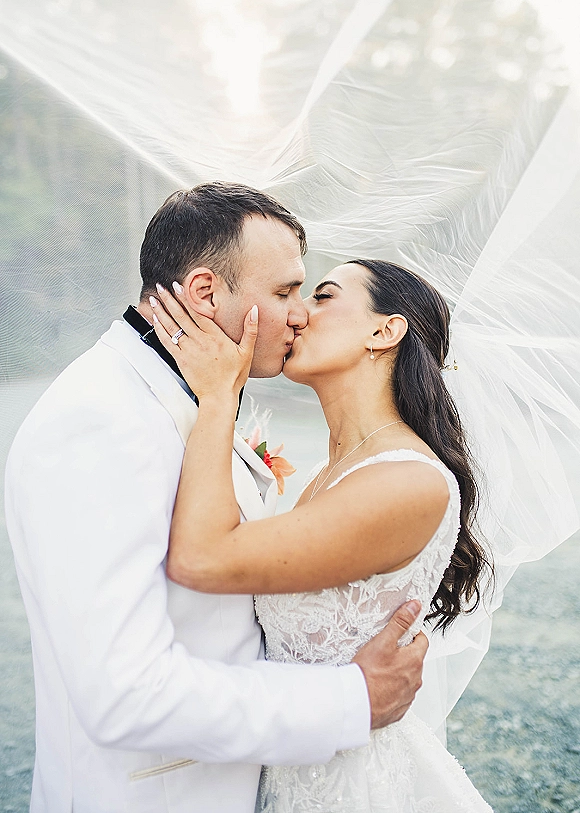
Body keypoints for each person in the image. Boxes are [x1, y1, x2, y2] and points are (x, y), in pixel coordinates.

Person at [4, 184, 428, 813]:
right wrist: (350, 699)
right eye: (284, 292)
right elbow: (126, 693)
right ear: (205, 293)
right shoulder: (100, 420)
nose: (299, 314)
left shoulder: (190, 397)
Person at [149, 257, 494, 812]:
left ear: (383, 331)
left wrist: (218, 394)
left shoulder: (406, 481)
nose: (298, 314)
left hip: (350, 787)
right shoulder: (337, 471)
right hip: (292, 757)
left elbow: (204, 559)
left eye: (324, 296)